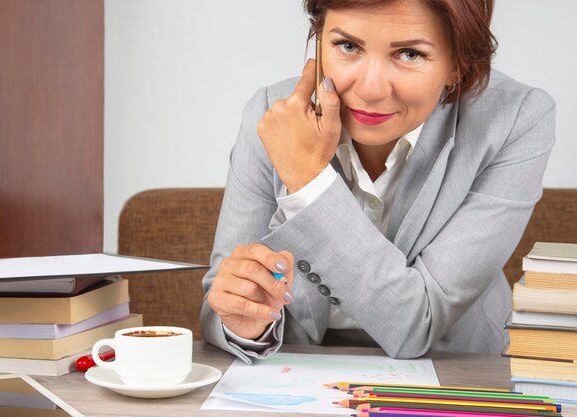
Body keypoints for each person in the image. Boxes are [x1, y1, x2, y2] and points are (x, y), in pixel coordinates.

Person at [200, 0, 555, 364]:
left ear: (458, 65)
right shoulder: (274, 115)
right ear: (320, 41)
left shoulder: (515, 119)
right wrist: (246, 321)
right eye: (348, 46)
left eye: (409, 54)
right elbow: (219, 303)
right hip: (296, 368)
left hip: (454, 372)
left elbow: (419, 322)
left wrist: (308, 181)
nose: (370, 89)